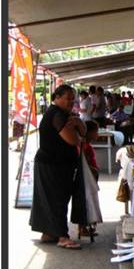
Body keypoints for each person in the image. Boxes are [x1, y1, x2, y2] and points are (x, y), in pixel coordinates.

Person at [29, 84, 86, 249]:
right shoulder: (56, 115)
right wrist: (79, 135)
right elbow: (73, 139)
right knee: (57, 199)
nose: (71, 102)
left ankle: (49, 233)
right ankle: (62, 236)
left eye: (73, 99)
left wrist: (78, 122)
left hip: (57, 163)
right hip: (52, 164)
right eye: (68, 98)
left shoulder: (64, 114)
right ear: (57, 97)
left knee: (53, 198)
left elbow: (83, 132)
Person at [78, 120, 101, 238]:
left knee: (89, 202)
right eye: (96, 131)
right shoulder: (84, 146)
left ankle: (85, 227)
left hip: (91, 177)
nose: (97, 134)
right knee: (87, 202)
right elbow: (85, 164)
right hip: (88, 179)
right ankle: (83, 228)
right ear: (89, 133)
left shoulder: (86, 146)